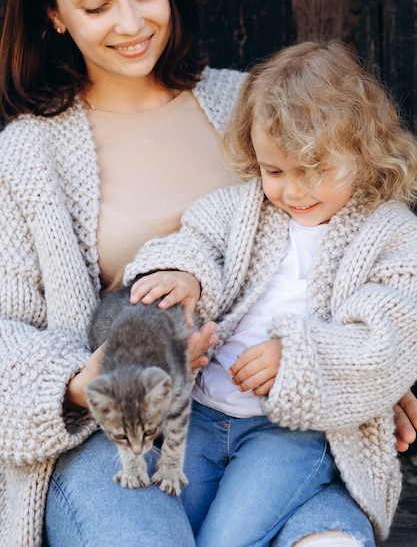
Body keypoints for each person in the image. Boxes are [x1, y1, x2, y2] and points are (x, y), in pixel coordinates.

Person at [0, 0, 415, 545]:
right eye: (95, 5)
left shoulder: (256, 102)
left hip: (280, 425)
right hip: (118, 437)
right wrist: (82, 384)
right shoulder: (27, 155)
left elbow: (356, 246)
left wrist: (371, 375)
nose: (131, 23)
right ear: (55, 15)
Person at [127, 39, 417, 547]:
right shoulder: (239, 210)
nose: (292, 192)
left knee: (227, 538)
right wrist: (185, 274)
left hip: (295, 432)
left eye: (316, 170)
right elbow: (192, 241)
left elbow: (391, 333)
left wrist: (297, 357)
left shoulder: (391, 234)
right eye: (274, 171)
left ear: (364, 150)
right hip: (202, 414)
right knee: (169, 527)